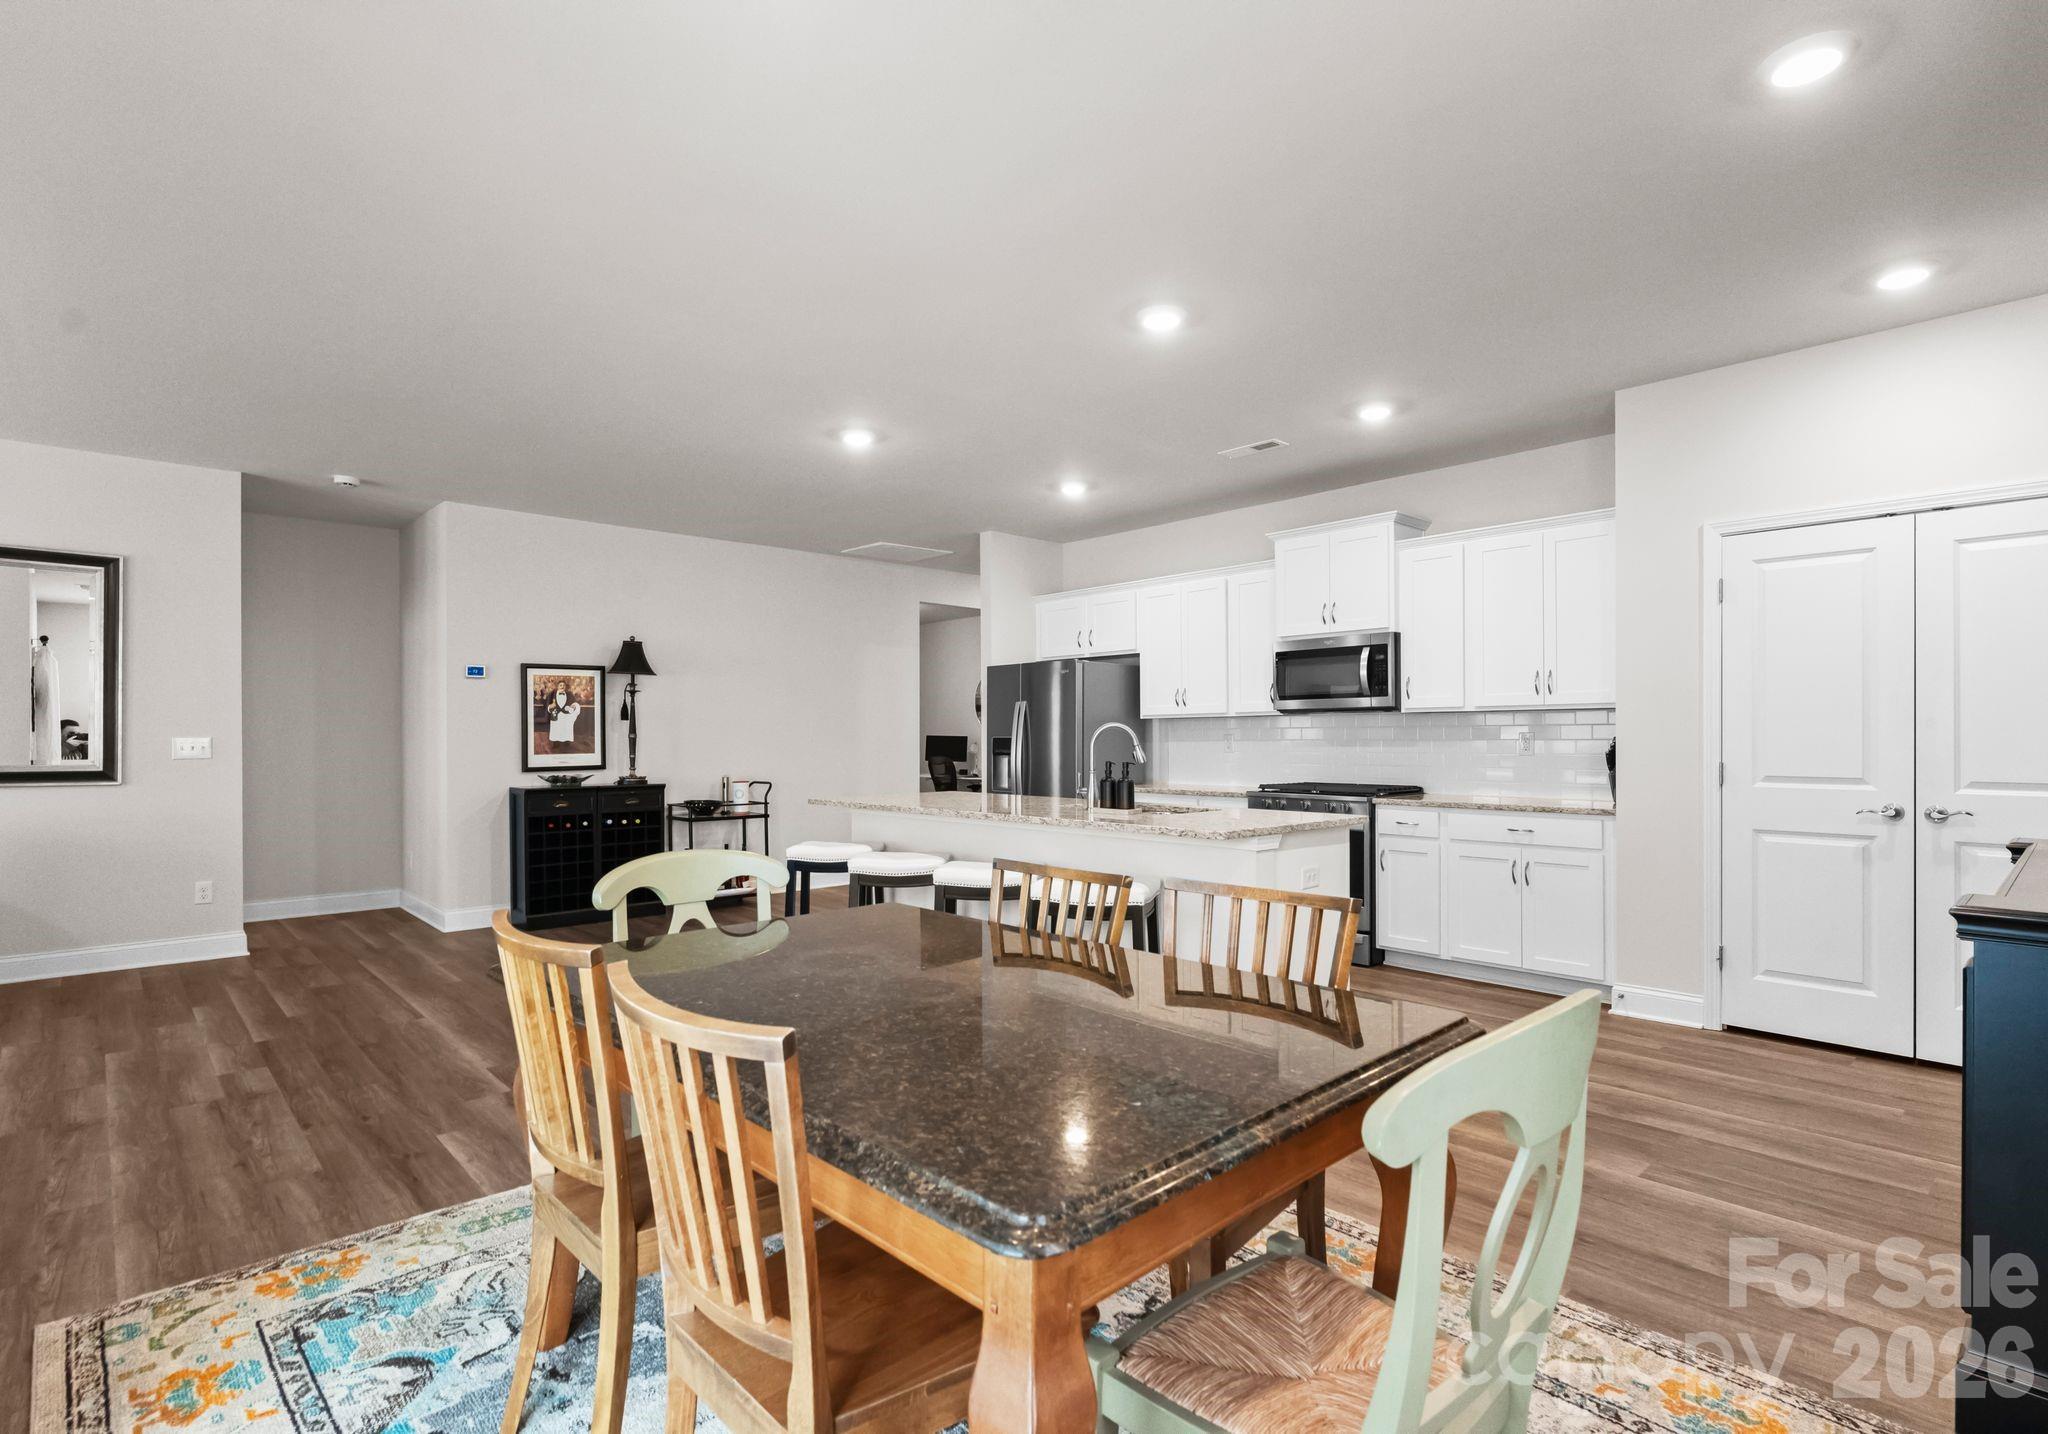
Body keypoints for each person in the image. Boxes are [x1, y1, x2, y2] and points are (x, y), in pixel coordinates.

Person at [545, 686, 582, 750]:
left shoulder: (569, 694)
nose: (562, 686)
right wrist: (550, 707)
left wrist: (573, 706)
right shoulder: (553, 694)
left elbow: (575, 703)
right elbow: (547, 704)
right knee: (556, 729)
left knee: (566, 728)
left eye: (563, 685)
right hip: (556, 715)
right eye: (560, 685)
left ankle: (566, 742)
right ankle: (556, 743)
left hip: (566, 716)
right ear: (558, 686)